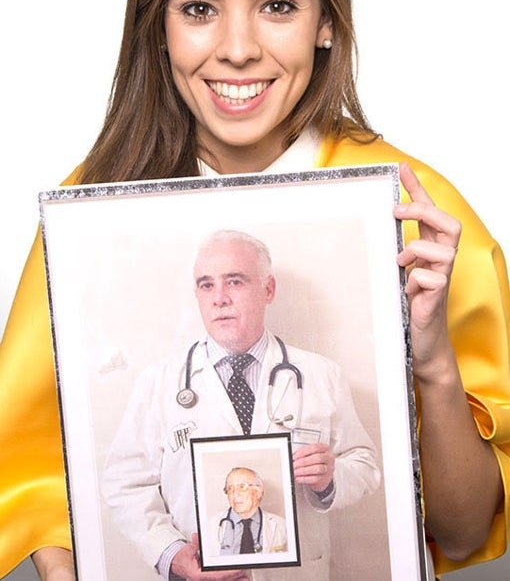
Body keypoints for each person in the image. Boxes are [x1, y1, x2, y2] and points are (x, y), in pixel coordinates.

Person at [0, 0, 508, 580]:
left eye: (277, 6)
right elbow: (38, 478)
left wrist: (431, 365)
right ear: (160, 26)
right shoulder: (91, 211)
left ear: (326, 22)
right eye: (199, 8)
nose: (238, 49)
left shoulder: (413, 211)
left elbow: (461, 537)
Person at [101, 229, 380, 579]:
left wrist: (330, 478)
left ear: (268, 290)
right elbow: (124, 484)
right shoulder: (157, 384)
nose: (219, 298)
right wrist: (172, 554)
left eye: (234, 281)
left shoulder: (322, 375)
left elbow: (364, 464)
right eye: (206, 285)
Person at [217, 467, 287, 556]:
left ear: (259, 492)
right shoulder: (210, 525)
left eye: (242, 487)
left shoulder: (282, 525)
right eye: (230, 489)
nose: (235, 494)